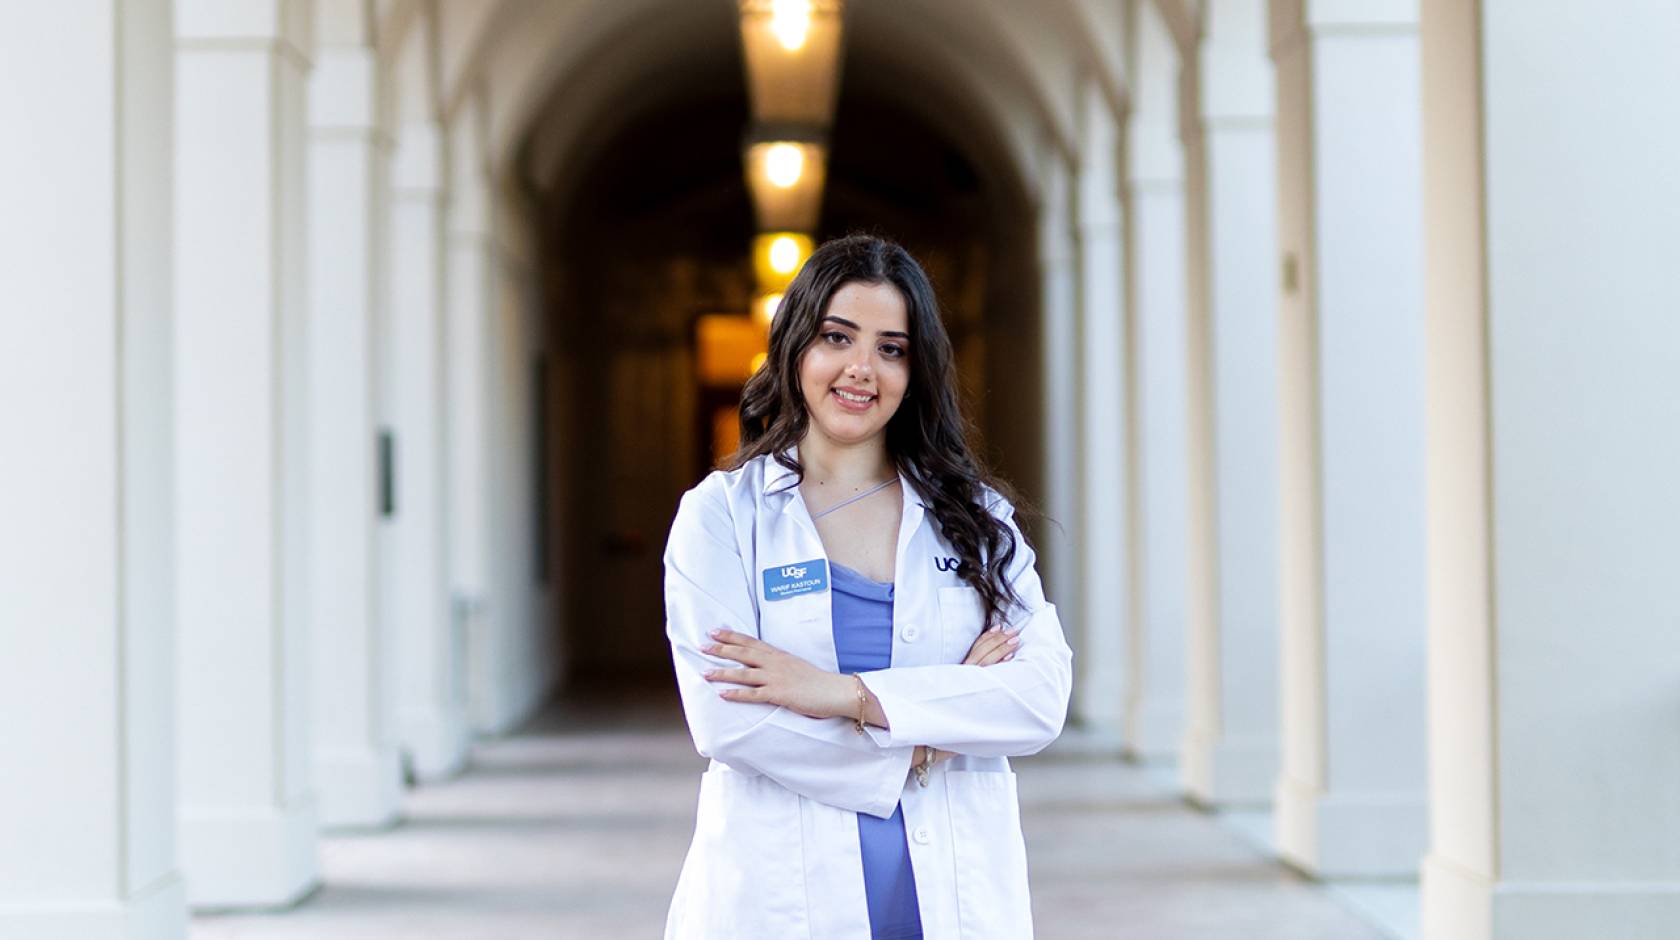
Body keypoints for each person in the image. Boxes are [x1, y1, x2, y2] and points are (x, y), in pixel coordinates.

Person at [661, 234, 1074, 939]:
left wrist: (843, 695)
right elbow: (729, 720)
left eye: (891, 348)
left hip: (948, 886)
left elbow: (1038, 698)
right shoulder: (723, 515)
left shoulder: (975, 519)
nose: (861, 369)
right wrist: (929, 739)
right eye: (836, 337)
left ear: (916, 371)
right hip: (781, 893)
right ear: (795, 348)